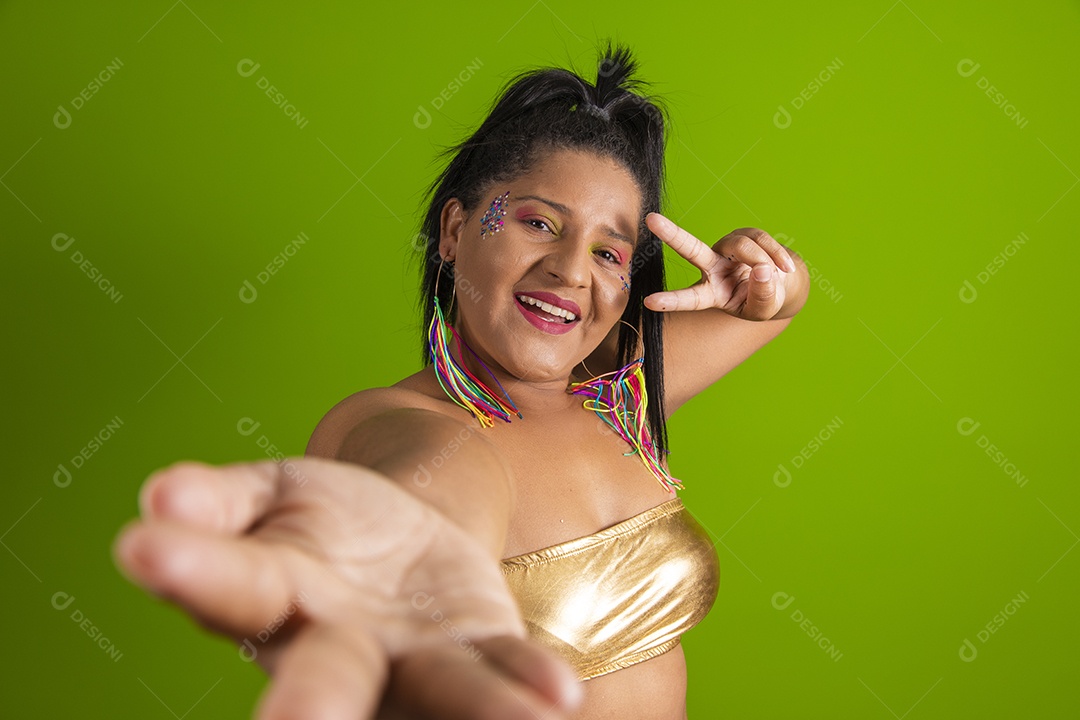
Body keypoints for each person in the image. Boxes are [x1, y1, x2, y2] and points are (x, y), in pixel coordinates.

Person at [113, 40, 810, 719]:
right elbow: (434, 474)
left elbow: (771, 310)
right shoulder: (401, 420)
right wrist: (427, 543)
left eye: (609, 251)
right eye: (539, 222)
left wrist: (773, 285)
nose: (571, 269)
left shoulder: (617, 402)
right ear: (454, 231)